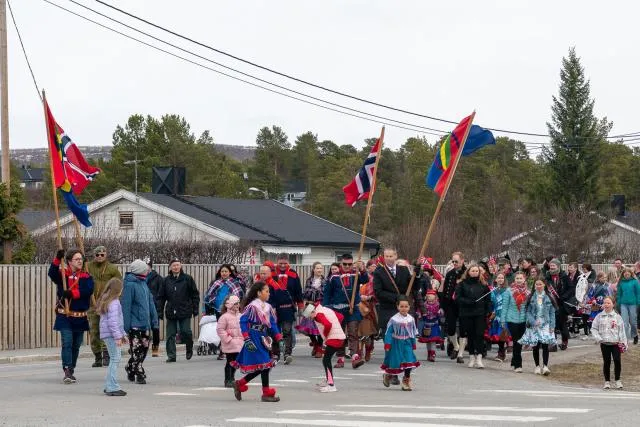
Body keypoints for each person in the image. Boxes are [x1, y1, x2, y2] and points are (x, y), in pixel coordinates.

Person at [48, 248, 94, 384]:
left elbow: (88, 290)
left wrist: (72, 294)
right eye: (77, 259)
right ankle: (67, 370)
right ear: (69, 261)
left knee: (76, 346)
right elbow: (51, 273)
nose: (80, 261)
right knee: (67, 343)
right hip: (65, 316)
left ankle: (71, 368)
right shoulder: (62, 275)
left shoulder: (86, 276)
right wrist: (57, 258)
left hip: (80, 317)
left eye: (81, 259)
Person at [231, 281, 282, 403]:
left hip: (263, 337)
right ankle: (265, 393)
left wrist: (279, 337)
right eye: (266, 291)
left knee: (264, 366)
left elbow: (272, 324)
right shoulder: (252, 307)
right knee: (265, 364)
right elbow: (243, 322)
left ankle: (240, 383)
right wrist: (247, 338)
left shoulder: (268, 307)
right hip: (253, 336)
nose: (268, 293)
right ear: (259, 293)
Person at [323, 253, 368, 369]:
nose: (347, 266)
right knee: (340, 335)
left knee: (353, 332)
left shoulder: (356, 274)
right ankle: (340, 358)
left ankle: (354, 357)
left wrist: (362, 269)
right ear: (340, 263)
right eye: (345, 264)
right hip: (338, 310)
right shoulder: (334, 277)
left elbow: (366, 279)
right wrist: (326, 308)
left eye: (349, 264)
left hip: (352, 309)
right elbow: (327, 293)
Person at [120, 259, 158, 385]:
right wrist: (125, 327)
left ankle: (130, 367)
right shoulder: (130, 285)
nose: (147, 271)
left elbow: (150, 303)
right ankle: (139, 372)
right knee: (136, 350)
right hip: (134, 325)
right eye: (145, 269)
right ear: (139, 270)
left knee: (144, 349)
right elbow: (126, 306)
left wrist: (154, 321)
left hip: (145, 324)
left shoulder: (144, 283)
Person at [157, 258, 200, 363]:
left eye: (178, 265)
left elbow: (195, 295)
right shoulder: (166, 280)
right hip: (171, 310)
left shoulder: (187, 279)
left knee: (186, 331)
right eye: (173, 265)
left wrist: (195, 308)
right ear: (170, 268)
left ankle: (189, 347)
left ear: (180, 266)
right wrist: (160, 311)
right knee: (170, 334)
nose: (176, 267)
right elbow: (161, 297)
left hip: (185, 310)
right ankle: (171, 355)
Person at [86, 245, 122, 368]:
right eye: (97, 254)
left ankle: (107, 356)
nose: (100, 256)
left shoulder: (112, 268)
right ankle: (97, 357)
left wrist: (113, 300)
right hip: (91, 304)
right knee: (94, 331)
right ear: (94, 255)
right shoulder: (88, 266)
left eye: (102, 254)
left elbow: (118, 285)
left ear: (106, 255)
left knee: (106, 331)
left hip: (106, 305)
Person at [301, 302, 346, 393]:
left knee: (326, 360)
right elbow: (340, 317)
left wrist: (326, 334)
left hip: (334, 338)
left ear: (312, 312)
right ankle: (328, 379)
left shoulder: (318, 315)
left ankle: (331, 384)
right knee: (326, 359)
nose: (311, 319)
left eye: (310, 317)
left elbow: (328, 324)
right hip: (339, 337)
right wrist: (336, 327)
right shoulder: (326, 309)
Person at [257, 264, 296, 364]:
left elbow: (279, 297)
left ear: (270, 273)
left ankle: (287, 354)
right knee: (273, 332)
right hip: (272, 311)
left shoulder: (274, 283)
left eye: (265, 273)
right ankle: (276, 354)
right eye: (261, 273)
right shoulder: (259, 284)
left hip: (285, 309)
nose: (263, 275)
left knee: (287, 332)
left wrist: (273, 306)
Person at [455, 264, 492, 368]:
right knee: (470, 336)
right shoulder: (462, 284)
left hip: (480, 313)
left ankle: (479, 358)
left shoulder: (483, 284)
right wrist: (468, 302)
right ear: (468, 272)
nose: (475, 272)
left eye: (476, 271)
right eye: (473, 271)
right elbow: (457, 298)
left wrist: (488, 310)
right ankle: (471, 357)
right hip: (466, 313)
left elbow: (488, 299)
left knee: (479, 335)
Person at [381, 296, 420, 391]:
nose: (404, 308)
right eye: (401, 306)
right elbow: (389, 332)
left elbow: (412, 332)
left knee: (409, 361)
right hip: (396, 343)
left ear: (409, 307)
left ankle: (406, 381)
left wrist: (413, 343)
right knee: (395, 363)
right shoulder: (394, 319)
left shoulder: (411, 319)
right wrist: (387, 343)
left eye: (406, 306)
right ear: (397, 307)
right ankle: (388, 375)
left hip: (406, 343)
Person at [519, 280, 557, 376]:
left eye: (540, 284)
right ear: (534, 286)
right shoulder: (531, 297)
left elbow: (552, 313)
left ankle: (545, 366)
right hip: (534, 324)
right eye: (537, 284)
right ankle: (537, 366)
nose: (538, 286)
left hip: (546, 324)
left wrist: (552, 326)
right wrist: (533, 321)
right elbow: (528, 312)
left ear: (544, 285)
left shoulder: (549, 297)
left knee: (545, 345)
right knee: (535, 346)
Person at [96, 278, 127, 396]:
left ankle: (109, 385)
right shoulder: (114, 302)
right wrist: (118, 337)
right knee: (115, 358)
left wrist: (122, 334)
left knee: (114, 358)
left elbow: (117, 322)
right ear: (118, 289)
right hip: (111, 335)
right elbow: (113, 322)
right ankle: (111, 386)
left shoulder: (107, 300)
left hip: (108, 334)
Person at [591, 296, 627, 389]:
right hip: (604, 343)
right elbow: (594, 328)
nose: (606, 305)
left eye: (608, 303)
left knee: (617, 361)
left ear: (613, 304)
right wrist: (598, 338)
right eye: (605, 303)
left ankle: (618, 380)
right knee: (606, 362)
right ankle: (607, 381)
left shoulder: (617, 317)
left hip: (615, 343)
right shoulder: (599, 316)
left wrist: (624, 343)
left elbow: (622, 331)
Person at [438, 251, 467, 362]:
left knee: (464, 329)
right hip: (450, 304)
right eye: (453, 261)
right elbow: (445, 291)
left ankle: (460, 355)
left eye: (457, 261)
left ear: (462, 261)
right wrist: (442, 305)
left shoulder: (467, 272)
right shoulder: (450, 273)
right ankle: (456, 346)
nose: (454, 263)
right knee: (450, 328)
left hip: (463, 305)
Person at [501, 272, 529, 373]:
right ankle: (518, 364)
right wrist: (503, 320)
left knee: (520, 342)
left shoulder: (528, 292)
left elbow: (528, 308)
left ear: (524, 279)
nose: (519, 280)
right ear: (514, 279)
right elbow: (504, 307)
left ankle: (514, 360)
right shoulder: (509, 291)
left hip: (523, 320)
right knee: (517, 341)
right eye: (517, 278)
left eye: (521, 278)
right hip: (511, 319)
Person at [296, 262, 325, 358]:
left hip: (321, 305)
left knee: (320, 327)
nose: (319, 270)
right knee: (307, 327)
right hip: (310, 305)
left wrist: (315, 292)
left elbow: (324, 293)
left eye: (321, 268)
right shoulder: (309, 280)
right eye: (317, 268)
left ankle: (319, 349)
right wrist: (314, 293)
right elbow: (305, 293)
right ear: (313, 269)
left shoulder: (325, 280)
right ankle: (315, 343)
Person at [545, 259, 573, 350]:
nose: (552, 267)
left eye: (554, 265)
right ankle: (553, 344)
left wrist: (564, 296)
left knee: (562, 324)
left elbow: (571, 288)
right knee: (551, 324)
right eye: (551, 265)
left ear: (558, 266)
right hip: (550, 304)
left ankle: (564, 342)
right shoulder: (547, 276)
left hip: (561, 304)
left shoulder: (564, 276)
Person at [216, 295, 243, 388]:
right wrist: (228, 339)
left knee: (236, 362)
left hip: (239, 343)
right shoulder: (224, 317)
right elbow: (220, 330)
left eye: (238, 303)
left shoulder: (240, 316)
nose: (238, 305)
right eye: (235, 303)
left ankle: (232, 378)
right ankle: (228, 379)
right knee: (230, 361)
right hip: (230, 343)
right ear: (230, 305)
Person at [358, 259, 378, 362]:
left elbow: (377, 292)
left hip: (370, 307)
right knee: (359, 331)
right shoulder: (357, 277)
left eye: (375, 266)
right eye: (372, 266)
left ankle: (369, 349)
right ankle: (359, 352)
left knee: (369, 331)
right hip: (359, 306)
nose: (374, 268)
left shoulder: (376, 279)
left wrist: (369, 297)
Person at [581, 271, 610, 340]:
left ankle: (603, 334)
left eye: (605, 277)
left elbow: (609, 295)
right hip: (595, 305)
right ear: (599, 278)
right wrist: (593, 299)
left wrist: (605, 303)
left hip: (603, 304)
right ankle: (595, 334)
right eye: (603, 277)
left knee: (603, 320)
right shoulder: (594, 285)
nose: (604, 279)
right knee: (594, 320)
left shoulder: (607, 285)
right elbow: (590, 294)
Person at [615, 267, 640, 345]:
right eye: (625, 272)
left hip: (633, 304)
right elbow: (619, 294)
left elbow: (638, 293)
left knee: (633, 322)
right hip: (623, 304)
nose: (626, 274)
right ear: (623, 274)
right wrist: (618, 303)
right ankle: (624, 339)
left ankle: (635, 335)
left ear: (631, 273)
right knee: (624, 322)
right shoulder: (621, 282)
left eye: (628, 272)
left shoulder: (635, 282)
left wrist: (638, 302)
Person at [417, 289, 444, 362]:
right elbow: (419, 310)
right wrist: (420, 314)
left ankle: (433, 354)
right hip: (426, 325)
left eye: (432, 296)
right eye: (428, 296)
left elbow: (441, 313)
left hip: (434, 324)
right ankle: (429, 353)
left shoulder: (437, 304)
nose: (430, 297)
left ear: (435, 297)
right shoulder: (424, 304)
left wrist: (440, 313)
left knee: (433, 340)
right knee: (428, 341)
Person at [489, 273, 510, 362]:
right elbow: (491, 303)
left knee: (503, 333)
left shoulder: (508, 290)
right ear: (495, 279)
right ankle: (501, 350)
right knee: (498, 334)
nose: (500, 279)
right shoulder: (492, 291)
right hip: (496, 314)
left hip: (505, 315)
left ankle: (501, 352)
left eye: (502, 278)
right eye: (499, 278)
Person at [145, 259, 163, 357]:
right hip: (143, 308)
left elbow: (161, 295)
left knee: (155, 328)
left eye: (146, 265)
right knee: (144, 329)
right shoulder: (140, 278)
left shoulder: (158, 278)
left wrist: (159, 309)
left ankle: (155, 348)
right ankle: (143, 348)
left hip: (154, 307)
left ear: (150, 267)